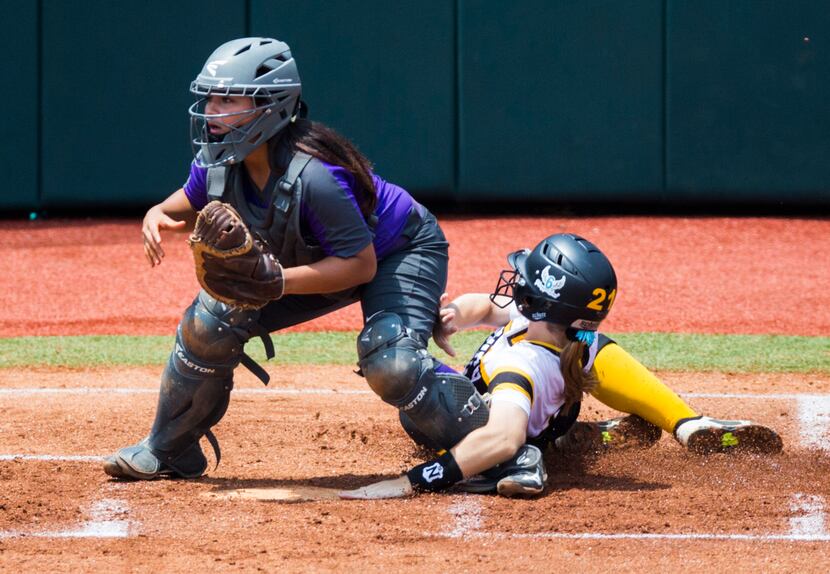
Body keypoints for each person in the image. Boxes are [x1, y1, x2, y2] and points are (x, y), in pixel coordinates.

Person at [103, 37, 489, 480]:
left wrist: (277, 281)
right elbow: (181, 203)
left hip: (399, 248)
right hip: (323, 257)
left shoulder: (316, 175)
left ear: (271, 105)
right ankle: (169, 450)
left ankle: (493, 446)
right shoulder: (220, 161)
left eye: (227, 98)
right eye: (209, 97)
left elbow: (360, 265)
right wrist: (156, 215)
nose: (210, 111)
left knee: (391, 360)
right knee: (209, 321)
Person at [341, 233, 782, 500]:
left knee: (407, 374)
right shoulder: (571, 333)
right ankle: (681, 422)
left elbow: (503, 432)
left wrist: (414, 480)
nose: (516, 284)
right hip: (551, 409)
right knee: (597, 349)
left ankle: (517, 464)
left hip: (492, 425)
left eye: (525, 282)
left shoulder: (521, 364)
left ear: (542, 301)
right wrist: (455, 312)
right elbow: (485, 304)